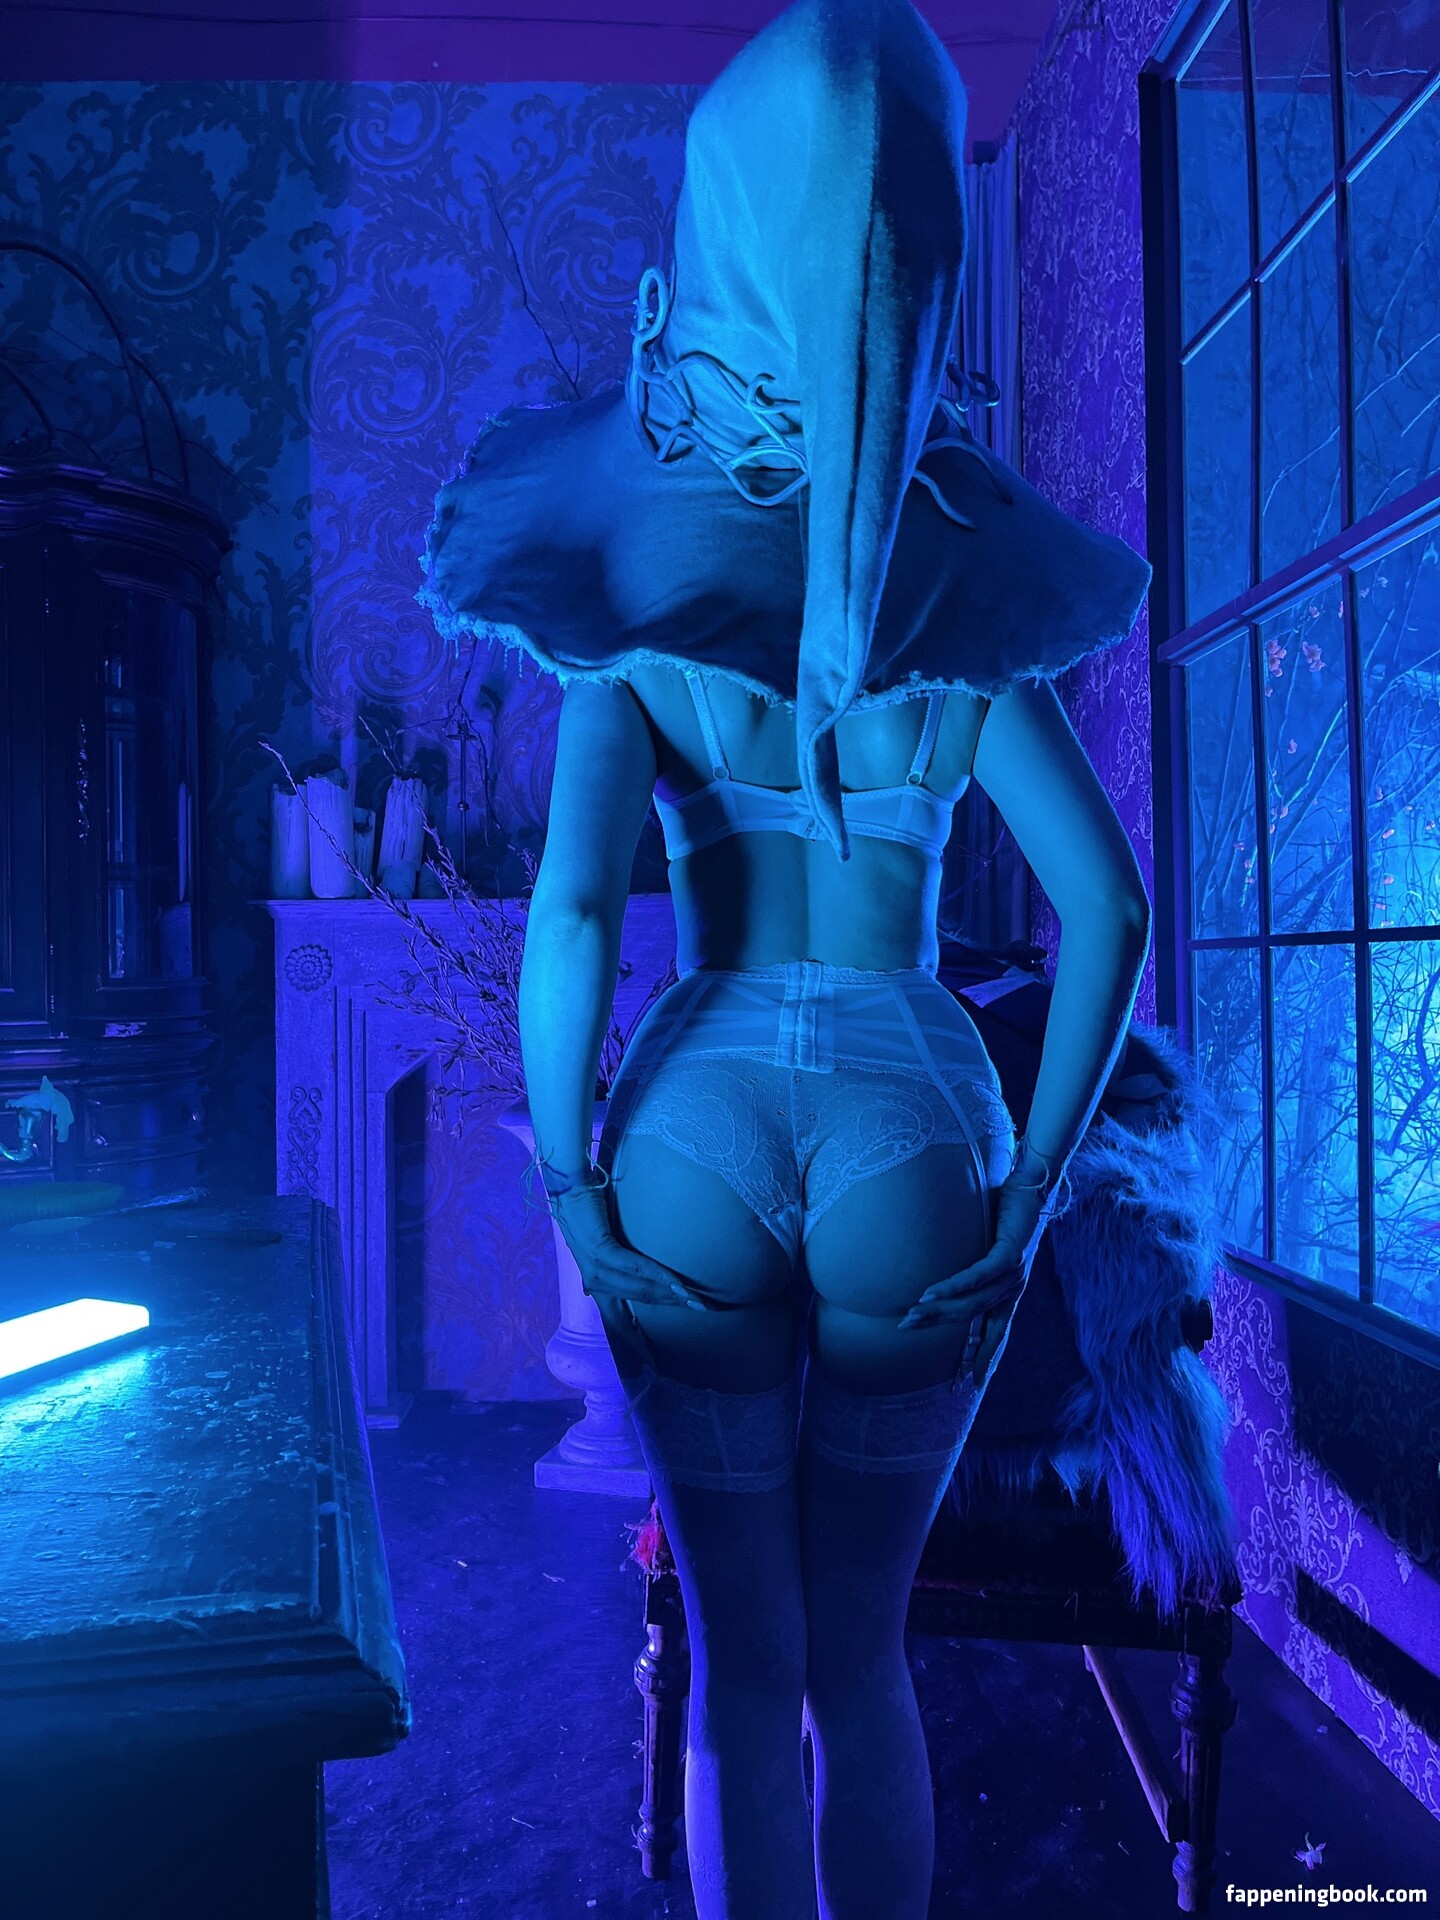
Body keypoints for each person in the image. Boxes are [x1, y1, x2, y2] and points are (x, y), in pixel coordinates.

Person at [418, 6, 1153, 1914]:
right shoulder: (955, 609)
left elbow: (576, 917)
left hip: (698, 1124)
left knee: (744, 1674)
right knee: (863, 1662)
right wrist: (1029, 1198)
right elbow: (1111, 913)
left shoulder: (637, 611)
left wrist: (573, 1188)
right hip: (918, 1121)